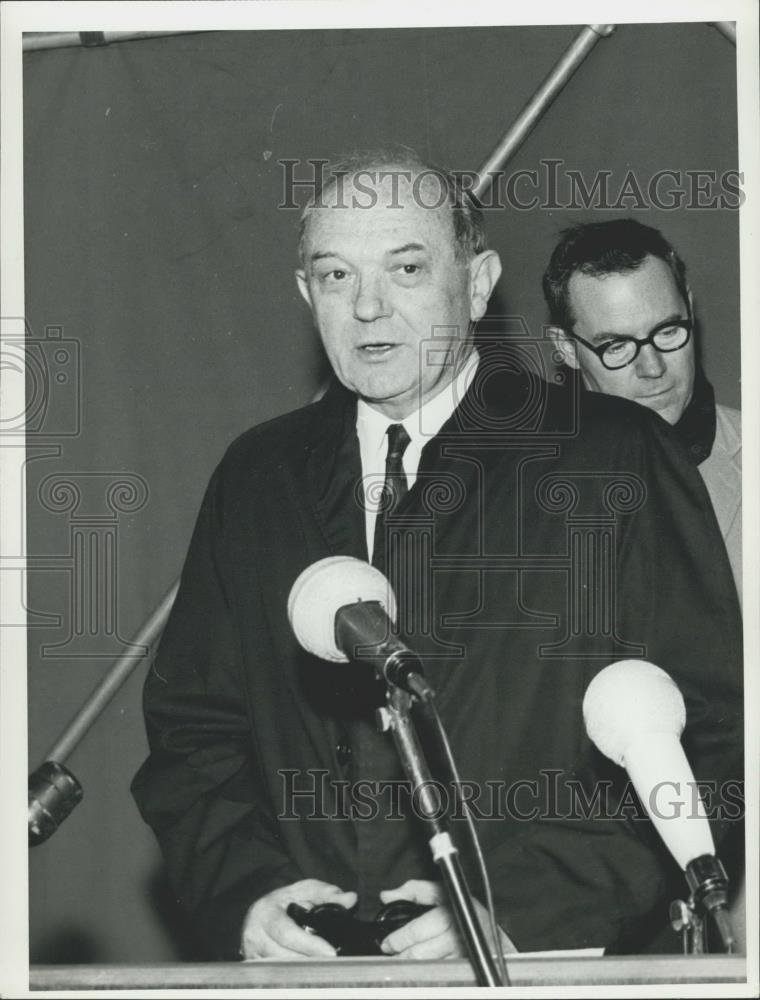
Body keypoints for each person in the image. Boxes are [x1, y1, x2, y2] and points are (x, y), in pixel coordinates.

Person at [132, 151, 743, 963]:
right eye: (337, 276)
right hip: (306, 971)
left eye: (407, 267)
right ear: (307, 294)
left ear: (480, 282)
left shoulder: (613, 456)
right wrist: (245, 897)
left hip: (540, 961)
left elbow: (709, 732)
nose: (370, 307)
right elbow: (193, 732)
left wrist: (515, 913)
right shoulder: (255, 477)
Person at [543, 219, 741, 601]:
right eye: (616, 346)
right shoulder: (516, 487)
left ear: (689, 304)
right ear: (567, 349)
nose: (653, 368)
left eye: (668, 331)